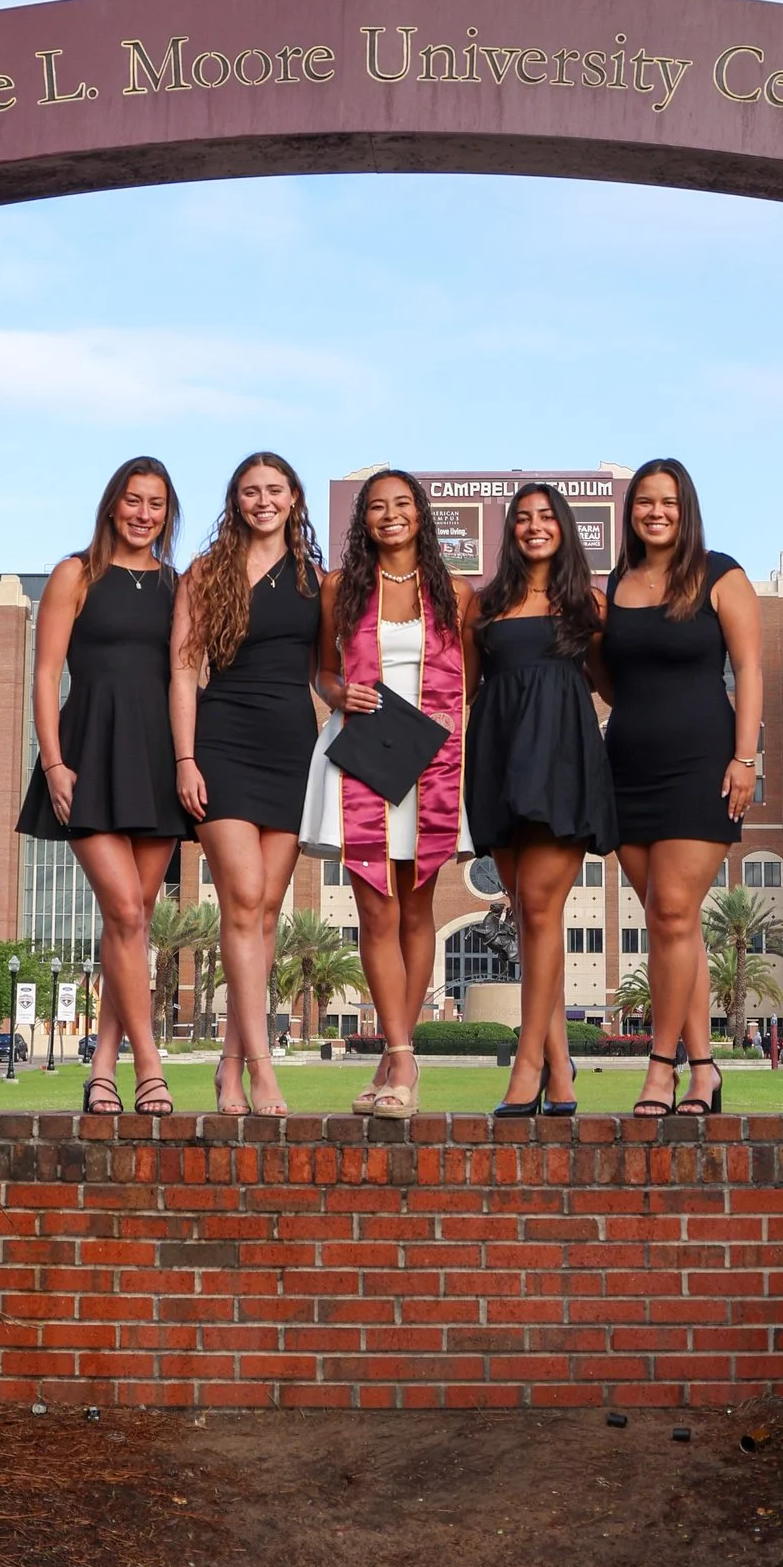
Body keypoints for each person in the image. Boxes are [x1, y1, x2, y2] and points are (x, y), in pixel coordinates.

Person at [16, 456, 188, 1113]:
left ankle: (102, 1069)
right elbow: (44, 675)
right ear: (112, 505)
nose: (144, 514)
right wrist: (55, 765)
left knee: (134, 921)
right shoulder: (74, 574)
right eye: (134, 500)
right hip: (89, 751)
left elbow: (186, 676)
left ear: (167, 514)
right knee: (123, 912)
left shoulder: (177, 585)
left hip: (156, 758)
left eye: (157, 504)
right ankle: (150, 1065)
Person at [308, 466, 477, 1118]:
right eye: (376, 507)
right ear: (364, 520)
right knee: (375, 911)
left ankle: (395, 1060)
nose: (390, 515)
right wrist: (334, 690)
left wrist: (448, 724)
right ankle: (402, 1059)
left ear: (420, 514)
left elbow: (472, 679)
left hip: (430, 762)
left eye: (402, 504)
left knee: (416, 912)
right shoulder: (340, 590)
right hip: (365, 757)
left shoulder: (457, 594)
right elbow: (323, 669)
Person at [599, 455, 763, 1119]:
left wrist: (745, 758)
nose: (656, 512)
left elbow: (750, 667)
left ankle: (660, 1068)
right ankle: (706, 1070)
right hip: (627, 768)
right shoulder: (617, 582)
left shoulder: (720, 574)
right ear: (631, 511)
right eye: (644, 502)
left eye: (667, 501)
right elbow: (615, 681)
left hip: (702, 763)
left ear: (685, 507)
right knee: (675, 925)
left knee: (670, 912)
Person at [172, 451, 324, 1112]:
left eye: (274, 489)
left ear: (293, 497)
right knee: (245, 898)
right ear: (236, 502)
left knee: (265, 914)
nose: (262, 500)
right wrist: (185, 759)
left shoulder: (318, 581)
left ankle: (228, 1067)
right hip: (223, 741)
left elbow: (324, 676)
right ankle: (262, 1067)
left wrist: (361, 696)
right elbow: (183, 671)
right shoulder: (206, 573)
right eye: (249, 491)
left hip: (294, 748)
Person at [462, 482, 615, 1117]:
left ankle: (529, 1063)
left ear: (565, 527)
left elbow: (609, 687)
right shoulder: (484, 605)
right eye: (522, 519)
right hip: (497, 760)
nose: (533, 527)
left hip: (560, 762)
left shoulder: (590, 606)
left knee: (542, 909)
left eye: (545, 517)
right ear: (511, 532)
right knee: (525, 917)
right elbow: (467, 688)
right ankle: (561, 1069)